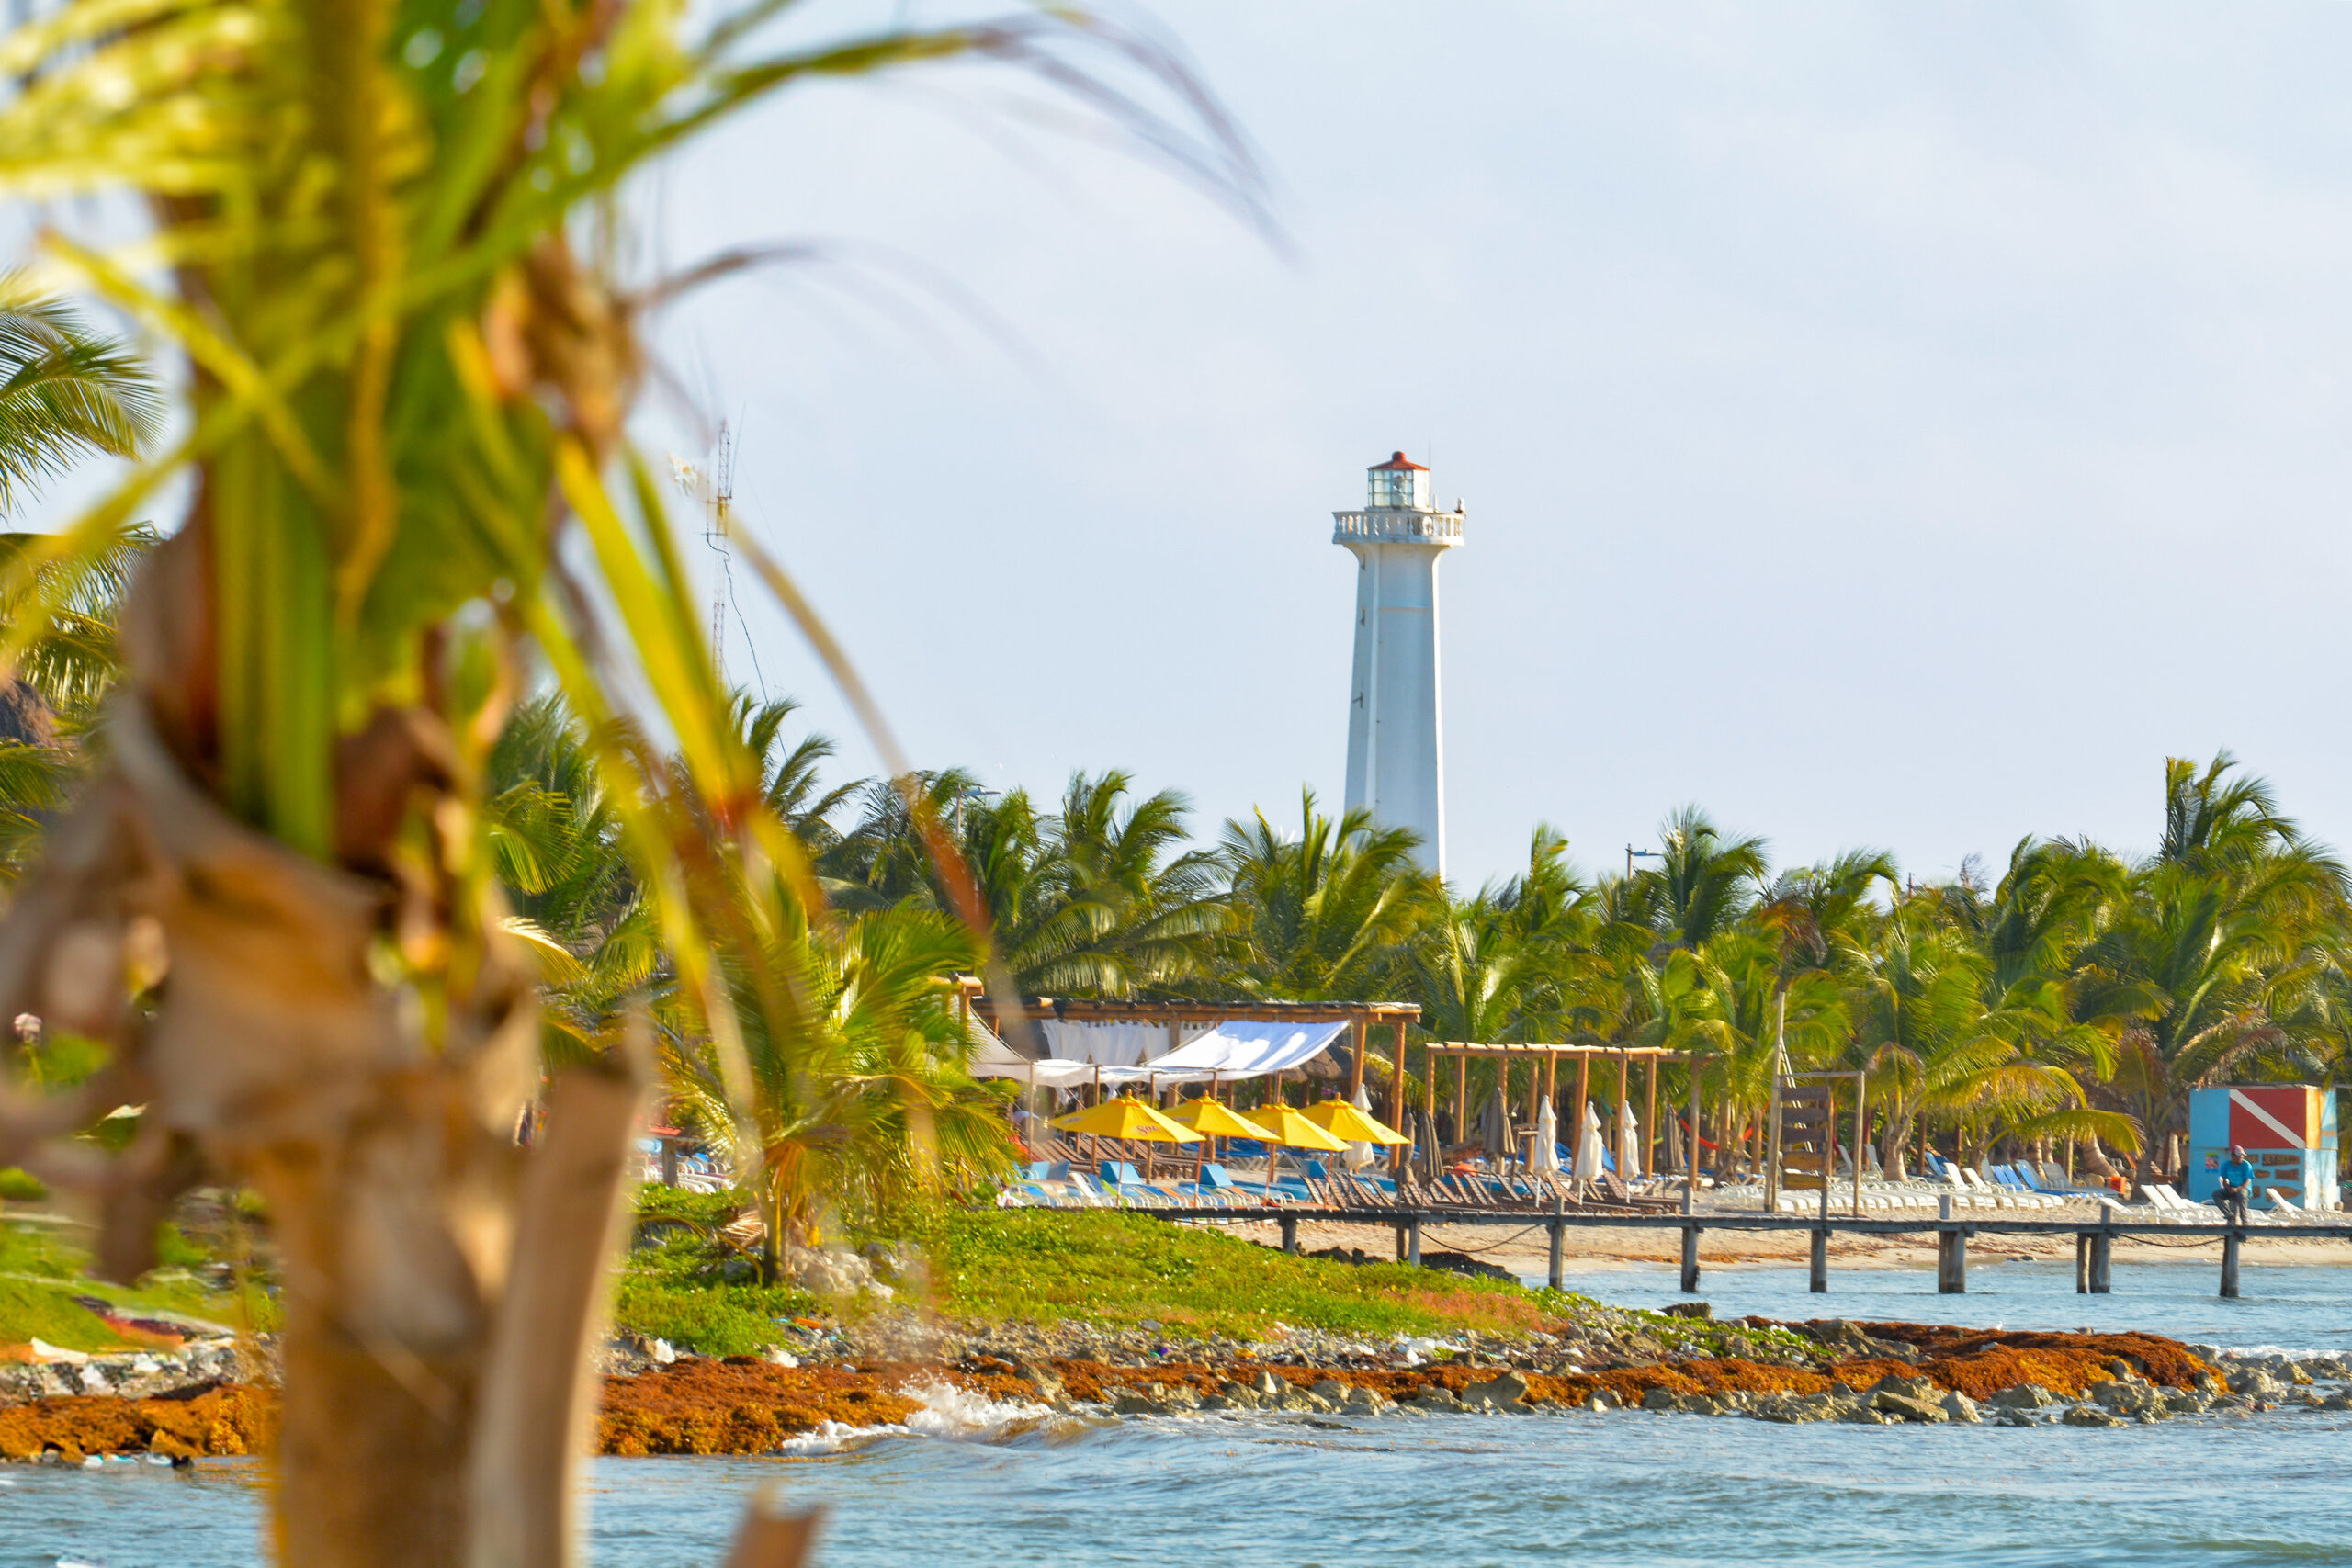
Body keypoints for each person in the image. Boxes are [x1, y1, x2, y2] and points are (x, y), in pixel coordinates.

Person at [2213, 1143, 2255, 1224]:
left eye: (2242, 1155)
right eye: (2239, 1155)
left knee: (2241, 1195)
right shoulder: (2226, 1165)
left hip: (2243, 1188)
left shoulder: (2246, 1165)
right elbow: (2224, 1180)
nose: (2241, 1157)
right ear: (2233, 1156)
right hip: (2231, 1187)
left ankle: (2244, 1221)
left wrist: (2237, 1189)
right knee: (2216, 1194)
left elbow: (2247, 1181)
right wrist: (2229, 1188)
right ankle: (2228, 1214)